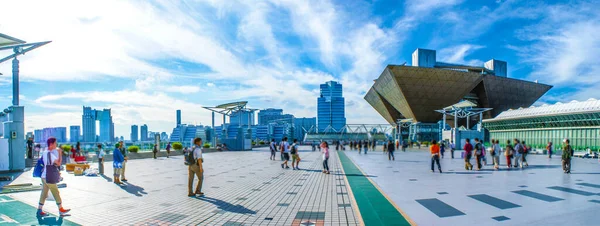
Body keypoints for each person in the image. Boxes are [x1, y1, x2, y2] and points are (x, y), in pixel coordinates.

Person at [37, 137, 70, 217]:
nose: (56, 145)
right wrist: (60, 153)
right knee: (55, 192)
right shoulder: (50, 155)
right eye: (55, 143)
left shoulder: (45, 152)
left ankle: (39, 209)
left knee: (44, 193)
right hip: (49, 177)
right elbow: (58, 163)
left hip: (44, 176)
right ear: (51, 144)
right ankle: (61, 209)